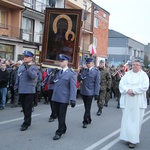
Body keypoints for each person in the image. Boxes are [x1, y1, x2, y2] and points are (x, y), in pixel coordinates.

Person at [119, 60, 149, 148]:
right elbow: (121, 85)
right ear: (131, 66)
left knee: (136, 121)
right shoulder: (127, 74)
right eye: (134, 65)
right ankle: (127, 137)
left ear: (140, 66)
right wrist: (128, 90)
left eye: (137, 65)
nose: (135, 66)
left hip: (138, 101)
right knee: (127, 120)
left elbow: (145, 86)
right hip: (127, 100)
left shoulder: (144, 75)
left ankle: (133, 140)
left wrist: (134, 91)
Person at [51, 54, 77, 140]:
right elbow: (52, 82)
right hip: (56, 97)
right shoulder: (58, 72)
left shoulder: (71, 74)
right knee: (58, 114)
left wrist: (73, 99)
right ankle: (64, 127)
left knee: (61, 115)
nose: (60, 62)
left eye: (62, 61)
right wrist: (52, 74)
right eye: (60, 61)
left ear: (66, 62)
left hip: (64, 98)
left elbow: (73, 87)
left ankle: (59, 131)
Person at [14, 50, 38, 131]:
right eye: (24, 57)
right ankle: (27, 120)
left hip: (29, 90)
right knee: (24, 107)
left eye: (27, 57)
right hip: (22, 89)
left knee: (28, 107)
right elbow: (18, 77)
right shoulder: (21, 66)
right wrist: (16, 87)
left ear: (31, 58)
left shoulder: (33, 67)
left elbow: (33, 76)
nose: (25, 58)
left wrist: (28, 68)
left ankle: (26, 123)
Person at [78, 58, 100, 128]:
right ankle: (89, 119)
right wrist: (79, 73)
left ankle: (85, 121)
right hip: (84, 91)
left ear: (92, 63)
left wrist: (96, 93)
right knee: (86, 107)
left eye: (89, 63)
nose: (87, 64)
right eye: (87, 63)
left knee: (87, 107)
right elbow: (80, 78)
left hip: (90, 92)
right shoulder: (84, 70)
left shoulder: (96, 72)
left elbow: (97, 83)